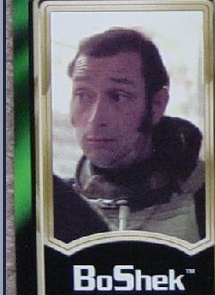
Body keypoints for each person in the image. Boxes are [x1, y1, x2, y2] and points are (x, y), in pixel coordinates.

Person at [56, 27, 205, 242]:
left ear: (157, 104)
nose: (95, 119)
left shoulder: (210, 197)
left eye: (118, 96)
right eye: (83, 95)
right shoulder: (55, 205)